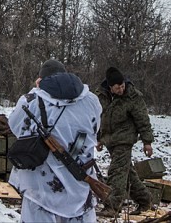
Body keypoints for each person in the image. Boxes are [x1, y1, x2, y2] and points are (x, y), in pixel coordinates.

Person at [8, 59, 102, 222]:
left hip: (42, 187)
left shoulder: (32, 99)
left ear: (41, 79)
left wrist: (36, 89)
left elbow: (16, 127)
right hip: (80, 183)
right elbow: (95, 128)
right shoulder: (92, 100)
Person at [96, 67, 154, 217]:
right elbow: (98, 117)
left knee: (116, 172)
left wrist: (147, 141)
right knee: (127, 174)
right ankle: (145, 200)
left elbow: (142, 119)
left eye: (122, 86)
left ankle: (112, 206)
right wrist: (99, 138)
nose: (121, 89)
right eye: (117, 87)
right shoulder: (101, 96)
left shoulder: (132, 96)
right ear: (110, 87)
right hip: (110, 139)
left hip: (125, 139)